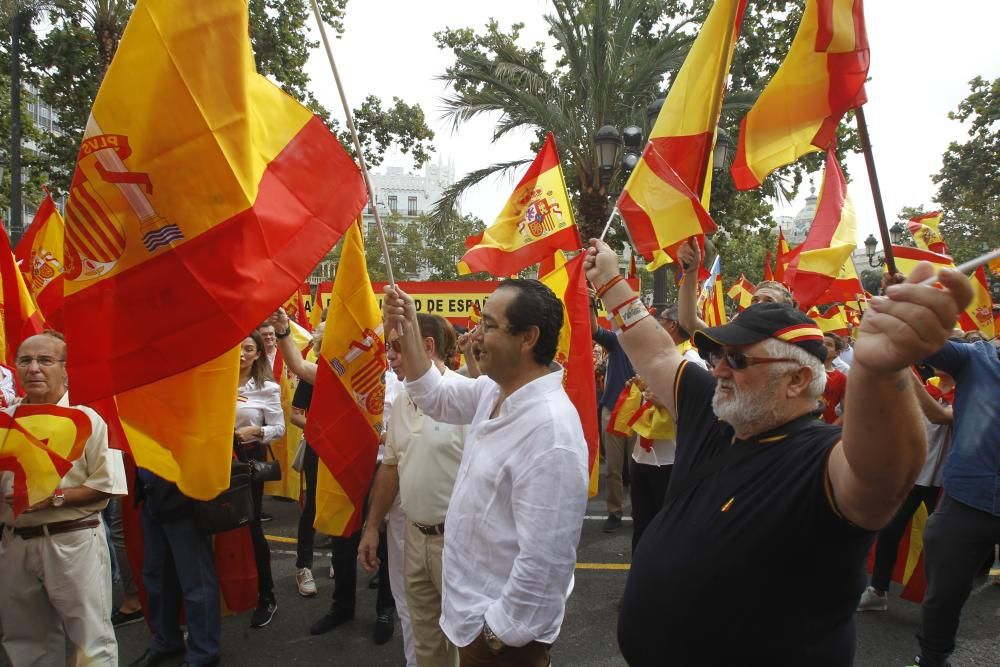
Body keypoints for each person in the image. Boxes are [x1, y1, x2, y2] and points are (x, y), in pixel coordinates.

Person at [582, 238, 972, 666]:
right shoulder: (714, 409)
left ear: (798, 380)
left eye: (739, 360)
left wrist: (883, 371)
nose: (720, 368)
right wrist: (609, 280)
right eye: (722, 355)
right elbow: (655, 351)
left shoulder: (823, 458)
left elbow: (883, 476)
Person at [383, 278, 589, 666]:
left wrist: (494, 637)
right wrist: (407, 326)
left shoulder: (551, 431)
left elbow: (545, 567)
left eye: (489, 326)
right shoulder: (492, 392)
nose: (476, 335)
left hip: (502, 647)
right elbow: (433, 395)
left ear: (528, 337)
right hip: (471, 621)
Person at [268, 309, 399, 647]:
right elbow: (298, 366)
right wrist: (283, 331)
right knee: (342, 540)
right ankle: (342, 606)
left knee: (385, 542)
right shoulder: (337, 376)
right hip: (342, 467)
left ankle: (386, 609)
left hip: (384, 472)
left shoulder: (400, 378)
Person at [0, 331, 127, 666]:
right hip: (14, 545)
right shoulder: (5, 421)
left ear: (65, 368)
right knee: (25, 643)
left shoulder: (90, 418)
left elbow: (106, 485)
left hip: (73, 542)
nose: (34, 369)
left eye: (45, 360)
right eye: (25, 360)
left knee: (89, 643)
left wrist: (53, 498)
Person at [359, 314, 467, 666]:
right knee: (423, 638)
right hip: (411, 538)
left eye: (395, 347)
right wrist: (372, 526)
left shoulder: (465, 397)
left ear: (427, 346)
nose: (389, 356)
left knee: (467, 639)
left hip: (458, 545)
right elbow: (391, 466)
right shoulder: (402, 401)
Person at [910, 338, 1000, 667]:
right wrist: (913, 293)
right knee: (943, 596)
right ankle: (931, 660)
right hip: (965, 502)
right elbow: (919, 342)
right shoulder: (978, 358)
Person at [857, 370, 954, 612]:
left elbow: (941, 417)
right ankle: (878, 590)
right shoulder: (928, 385)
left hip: (945, 478)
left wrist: (909, 378)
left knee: (940, 541)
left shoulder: (967, 390)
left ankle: (937, 600)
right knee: (889, 530)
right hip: (914, 472)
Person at [629, 306, 707, 553]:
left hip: (670, 458)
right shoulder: (655, 356)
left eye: (659, 320)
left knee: (666, 528)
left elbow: (701, 409)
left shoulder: (691, 360)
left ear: (672, 325)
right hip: (642, 454)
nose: (655, 324)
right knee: (641, 524)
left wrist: (666, 401)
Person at [136, 470, 222, 667]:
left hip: (182, 494)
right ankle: (167, 640)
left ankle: (204, 652)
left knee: (195, 581)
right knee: (156, 576)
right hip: (152, 492)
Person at [235, 330, 285, 628]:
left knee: (250, 528)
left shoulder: (266, 388)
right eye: (237, 348)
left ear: (257, 354)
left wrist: (255, 432)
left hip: (248, 462)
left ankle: (267, 596)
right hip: (215, 461)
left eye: (248, 348)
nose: (241, 354)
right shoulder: (216, 381)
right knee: (215, 528)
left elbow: (278, 428)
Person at [676, 239, 794, 337]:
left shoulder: (794, 353)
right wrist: (691, 270)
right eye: (755, 300)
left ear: (784, 312)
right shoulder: (732, 344)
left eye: (769, 301)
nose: (758, 304)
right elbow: (688, 322)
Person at [589, 286, 636, 533]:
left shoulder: (652, 344)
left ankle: (642, 509)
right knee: (614, 469)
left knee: (640, 468)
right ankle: (614, 512)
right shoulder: (617, 341)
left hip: (642, 414)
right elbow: (593, 330)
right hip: (613, 410)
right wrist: (589, 304)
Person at [820, 332, 848, 424]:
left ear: (837, 353)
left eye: (829, 345)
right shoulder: (805, 370)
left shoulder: (841, 378)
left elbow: (846, 412)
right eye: (821, 343)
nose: (823, 346)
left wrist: (830, 428)